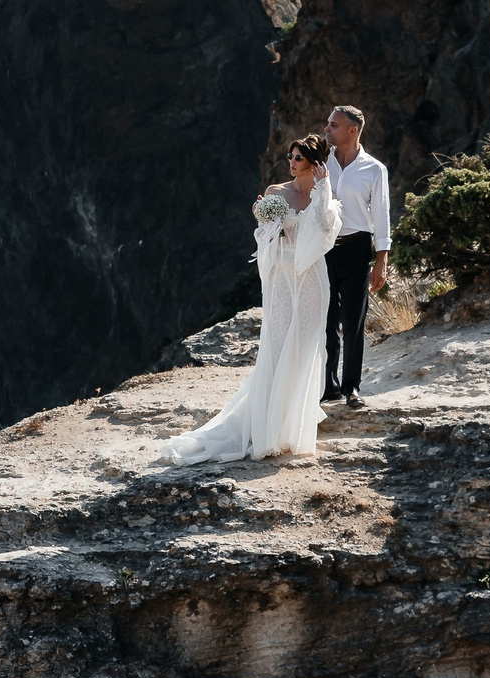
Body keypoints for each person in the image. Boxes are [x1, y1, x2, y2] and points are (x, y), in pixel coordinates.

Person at [160, 134, 341, 464]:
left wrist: (324, 191)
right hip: (281, 280)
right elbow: (264, 237)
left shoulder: (321, 196)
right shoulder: (276, 192)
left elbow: (325, 233)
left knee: (304, 349)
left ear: (314, 165)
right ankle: (268, 431)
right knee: (276, 346)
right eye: (291, 155)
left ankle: (291, 431)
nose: (291, 161)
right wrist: (264, 218)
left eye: (298, 158)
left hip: (312, 279)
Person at [320, 105, 389, 409]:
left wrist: (381, 260)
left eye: (333, 125)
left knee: (353, 321)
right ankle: (328, 385)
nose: (326, 129)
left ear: (352, 131)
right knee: (326, 321)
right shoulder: (320, 161)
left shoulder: (374, 169)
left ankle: (352, 388)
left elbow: (382, 215)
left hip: (357, 248)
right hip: (322, 248)